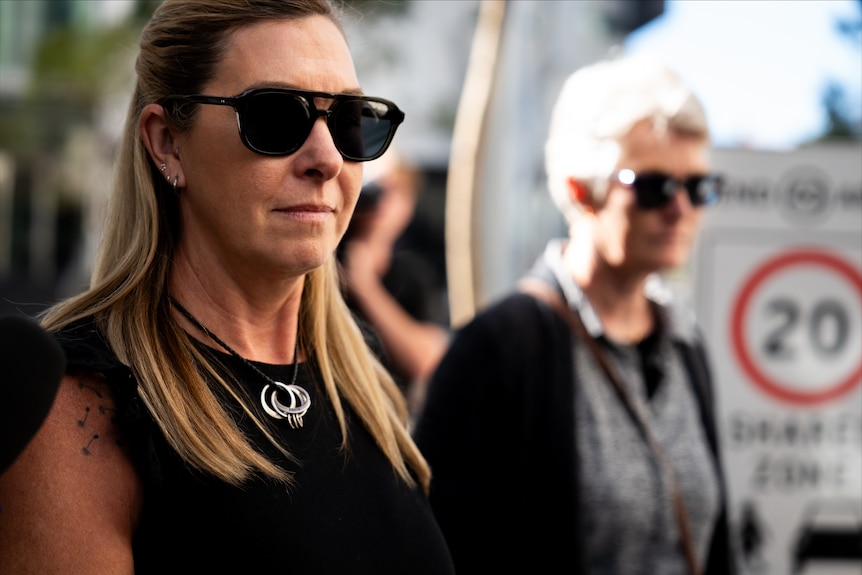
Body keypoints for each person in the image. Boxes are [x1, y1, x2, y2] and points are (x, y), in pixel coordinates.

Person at [0, 1, 455, 573]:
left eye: (348, 120)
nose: (327, 159)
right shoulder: (82, 409)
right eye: (275, 118)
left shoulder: (359, 375)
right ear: (167, 142)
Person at [413, 54, 736, 574]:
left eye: (699, 188)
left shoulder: (684, 343)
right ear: (579, 189)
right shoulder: (499, 347)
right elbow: (440, 546)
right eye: (654, 187)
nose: (681, 209)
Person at [339, 151, 450, 418]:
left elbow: (427, 359)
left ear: (408, 206)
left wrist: (367, 288)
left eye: (393, 191)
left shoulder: (414, 275)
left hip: (388, 418)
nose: (378, 201)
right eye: (372, 187)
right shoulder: (321, 261)